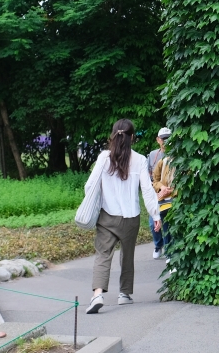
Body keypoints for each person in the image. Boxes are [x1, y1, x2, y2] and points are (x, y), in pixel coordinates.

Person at [85, 119, 161, 314]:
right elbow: (147, 189)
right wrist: (155, 214)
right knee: (127, 256)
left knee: (103, 254)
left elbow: (90, 185)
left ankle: (97, 295)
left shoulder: (103, 158)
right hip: (130, 217)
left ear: (113, 135)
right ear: (132, 137)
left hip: (107, 216)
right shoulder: (140, 160)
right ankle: (124, 294)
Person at [146, 127, 172, 259]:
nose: (166, 141)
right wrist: (158, 189)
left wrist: (167, 190)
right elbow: (147, 177)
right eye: (163, 139)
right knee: (152, 223)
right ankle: (158, 245)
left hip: (170, 195)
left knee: (167, 223)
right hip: (154, 194)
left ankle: (169, 252)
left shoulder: (175, 154)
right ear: (158, 140)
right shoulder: (152, 155)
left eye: (168, 138)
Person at [151, 150, 176, 261]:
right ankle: (168, 255)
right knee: (165, 228)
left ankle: (174, 255)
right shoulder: (162, 161)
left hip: (178, 202)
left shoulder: (184, 162)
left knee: (175, 230)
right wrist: (162, 188)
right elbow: (155, 181)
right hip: (164, 203)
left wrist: (171, 191)